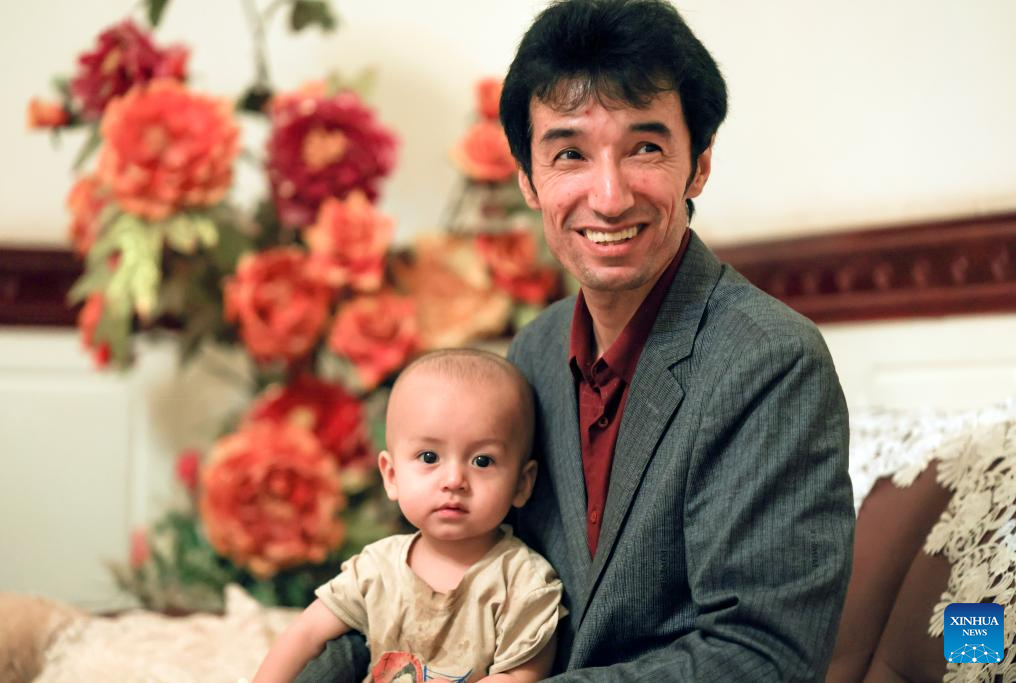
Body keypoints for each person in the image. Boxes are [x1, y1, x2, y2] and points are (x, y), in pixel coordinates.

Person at [300, 0, 854, 680]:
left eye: (645, 148)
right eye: (570, 154)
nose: (610, 197)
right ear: (529, 180)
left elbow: (763, 657)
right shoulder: (535, 351)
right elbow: (456, 577)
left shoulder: (771, 361)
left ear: (699, 164)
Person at [256, 349, 565, 683]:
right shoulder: (377, 569)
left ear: (521, 484)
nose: (454, 480)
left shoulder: (522, 583)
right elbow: (305, 635)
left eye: (482, 461)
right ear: (391, 475)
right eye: (429, 457)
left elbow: (519, 677)